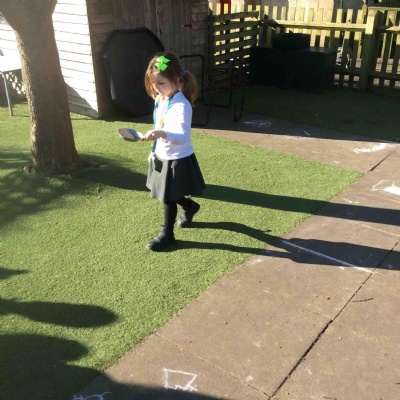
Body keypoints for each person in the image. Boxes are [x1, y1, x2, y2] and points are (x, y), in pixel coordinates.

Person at [143, 53, 206, 251]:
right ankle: (189, 206)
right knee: (168, 192)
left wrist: (162, 133)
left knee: (168, 196)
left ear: (177, 80)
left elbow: (183, 136)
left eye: (161, 83)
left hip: (178, 157)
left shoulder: (181, 105)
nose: (156, 87)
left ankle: (167, 234)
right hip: (162, 154)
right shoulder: (161, 99)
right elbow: (160, 123)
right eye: (154, 83)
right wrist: (154, 149)